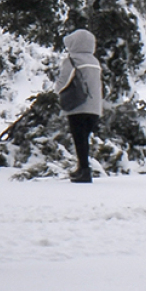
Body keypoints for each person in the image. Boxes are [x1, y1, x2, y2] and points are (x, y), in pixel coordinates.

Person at [54, 29, 104, 183]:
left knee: (79, 139)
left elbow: (63, 82)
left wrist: (55, 93)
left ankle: (84, 170)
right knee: (85, 139)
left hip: (78, 106)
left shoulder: (72, 60)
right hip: (95, 107)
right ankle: (82, 168)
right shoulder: (95, 61)